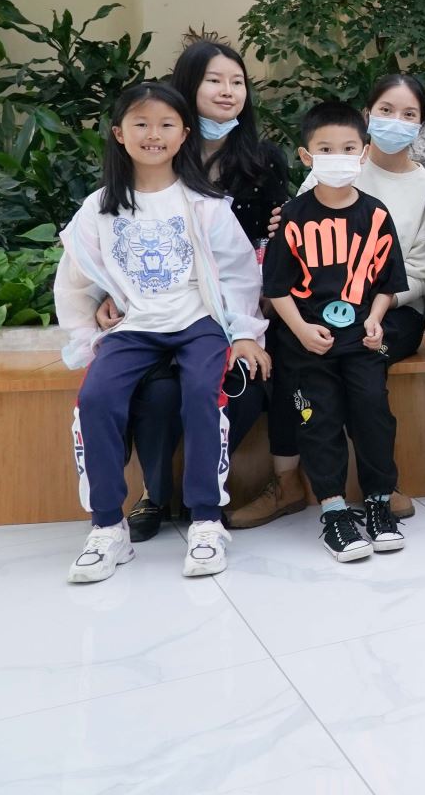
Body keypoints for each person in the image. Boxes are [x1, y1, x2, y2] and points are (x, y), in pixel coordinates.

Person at [56, 81, 269, 583]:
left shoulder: (205, 204)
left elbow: (239, 273)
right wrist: (90, 327)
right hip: (133, 327)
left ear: (184, 134)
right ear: (119, 133)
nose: (154, 134)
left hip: (198, 322)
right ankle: (107, 527)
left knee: (202, 394)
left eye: (166, 124)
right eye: (141, 124)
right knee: (96, 399)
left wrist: (243, 332)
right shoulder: (99, 208)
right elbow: (76, 280)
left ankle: (206, 521)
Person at [117, 41, 293, 540]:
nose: (227, 91)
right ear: (188, 87)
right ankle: (154, 492)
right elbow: (120, 233)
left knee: (244, 383)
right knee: (157, 390)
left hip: (242, 306)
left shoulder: (263, 159)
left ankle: (204, 489)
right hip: (169, 303)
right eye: (214, 80)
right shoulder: (159, 154)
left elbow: (275, 242)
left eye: (237, 82)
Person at [262, 102, 409, 562]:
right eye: (325, 149)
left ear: (363, 153)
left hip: (362, 342)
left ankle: (379, 502)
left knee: (373, 414)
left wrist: (376, 318)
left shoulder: (376, 214)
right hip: (307, 345)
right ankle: (333, 511)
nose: (338, 157)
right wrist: (301, 329)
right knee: (318, 421)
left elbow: (388, 282)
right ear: (307, 156)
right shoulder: (292, 217)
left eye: (348, 148)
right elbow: (276, 287)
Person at [287, 75, 425, 517]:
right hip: (324, 311)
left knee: (363, 364)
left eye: (409, 114)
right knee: (309, 361)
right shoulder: (337, 164)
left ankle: (380, 488)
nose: (396, 121)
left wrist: (374, 304)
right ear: (368, 114)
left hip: (392, 313)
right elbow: (297, 249)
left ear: (421, 124)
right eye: (387, 110)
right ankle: (320, 491)